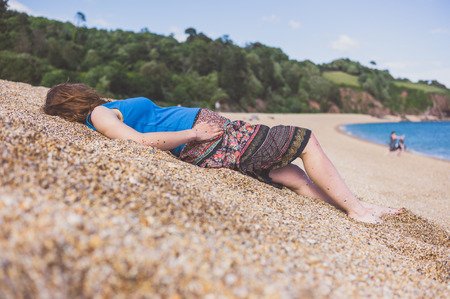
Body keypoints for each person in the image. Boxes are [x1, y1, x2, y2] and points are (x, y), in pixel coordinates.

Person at [43, 83, 403, 224]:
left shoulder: (106, 108)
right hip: (210, 140)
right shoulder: (98, 115)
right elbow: (136, 141)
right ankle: (357, 210)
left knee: (291, 175)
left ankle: (357, 207)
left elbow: (149, 122)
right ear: (73, 96)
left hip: (213, 136)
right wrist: (194, 131)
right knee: (305, 140)